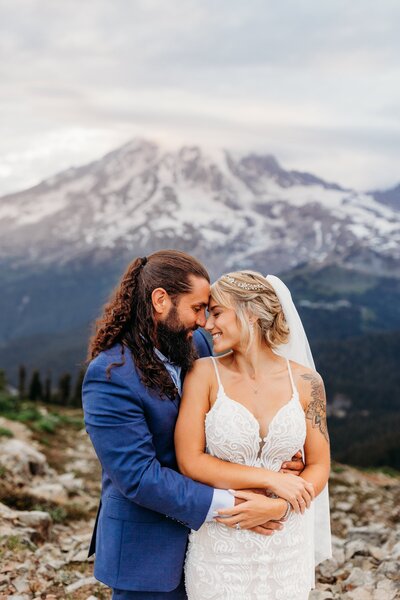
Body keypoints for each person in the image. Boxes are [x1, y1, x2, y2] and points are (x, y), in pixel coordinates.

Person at [82, 251, 305, 599]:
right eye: (197, 308)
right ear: (160, 301)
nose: (204, 321)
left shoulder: (199, 344)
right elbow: (139, 477)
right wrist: (239, 505)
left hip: (217, 552)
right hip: (149, 551)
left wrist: (278, 457)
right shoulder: (110, 374)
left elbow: (244, 400)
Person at [175, 270, 332, 600]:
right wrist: (272, 480)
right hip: (222, 543)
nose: (207, 324)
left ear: (250, 312)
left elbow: (318, 465)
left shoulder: (308, 383)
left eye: (216, 312)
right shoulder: (203, 374)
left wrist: (281, 509)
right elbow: (190, 461)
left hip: (286, 543)